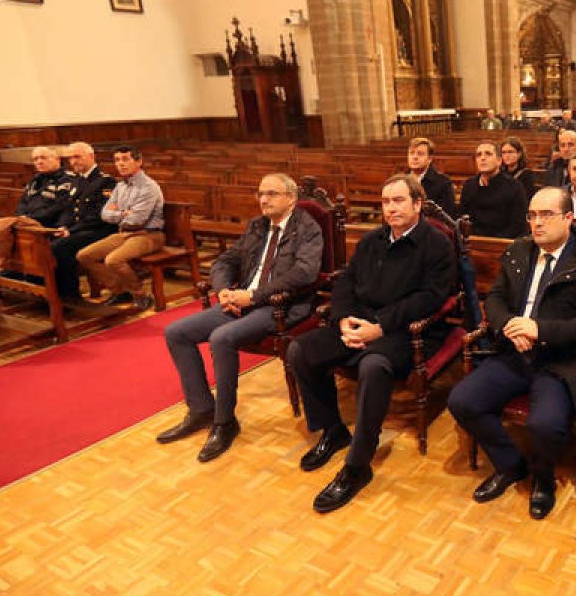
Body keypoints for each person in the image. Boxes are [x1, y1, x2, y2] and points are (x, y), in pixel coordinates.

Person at [287, 175, 457, 513]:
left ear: (417, 204)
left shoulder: (436, 244)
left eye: (398, 201)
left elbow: (431, 297)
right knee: (300, 350)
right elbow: (346, 280)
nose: (390, 208)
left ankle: (358, 464)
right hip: (361, 322)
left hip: (408, 332)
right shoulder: (372, 240)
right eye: (385, 202)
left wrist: (379, 328)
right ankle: (333, 430)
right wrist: (343, 319)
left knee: (373, 365)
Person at [448, 187, 576, 521]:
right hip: (514, 351)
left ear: (568, 218)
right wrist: (510, 324)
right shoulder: (519, 250)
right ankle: (511, 465)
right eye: (532, 215)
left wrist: (540, 330)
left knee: (545, 425)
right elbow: (494, 300)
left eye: (546, 215)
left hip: (559, 360)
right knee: (462, 401)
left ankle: (543, 479)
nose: (536, 223)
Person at [159, 173, 324, 462]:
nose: (263, 199)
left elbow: (305, 273)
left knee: (222, 337)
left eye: (272, 194)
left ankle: (224, 422)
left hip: (281, 307)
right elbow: (226, 260)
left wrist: (254, 296)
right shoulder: (257, 226)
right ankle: (201, 410)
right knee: (176, 332)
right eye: (261, 193)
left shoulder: (307, 228)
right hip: (243, 301)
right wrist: (223, 291)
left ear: (291, 198)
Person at [76, 146, 164, 310]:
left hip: (148, 235)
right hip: (124, 233)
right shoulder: (120, 186)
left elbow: (137, 220)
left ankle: (140, 294)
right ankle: (119, 290)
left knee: (113, 260)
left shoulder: (149, 187)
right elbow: (104, 214)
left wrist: (118, 213)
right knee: (84, 256)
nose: (121, 164)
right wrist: (124, 214)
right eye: (117, 160)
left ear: (138, 161)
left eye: (125, 159)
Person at [50, 142, 117, 302]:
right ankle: (52, 292)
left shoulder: (106, 182)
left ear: (91, 156)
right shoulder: (77, 180)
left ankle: (70, 295)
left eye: (77, 156)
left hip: (100, 230)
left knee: (59, 247)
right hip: (81, 229)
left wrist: (71, 231)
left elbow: (99, 215)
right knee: (46, 241)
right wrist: (64, 226)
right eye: (70, 158)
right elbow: (68, 208)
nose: (73, 161)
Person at [459, 142, 528, 238]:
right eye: (479, 155)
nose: (483, 158)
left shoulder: (514, 186)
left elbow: (518, 225)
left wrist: (493, 243)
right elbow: (462, 217)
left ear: (499, 160)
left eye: (488, 154)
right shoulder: (469, 185)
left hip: (503, 244)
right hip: (472, 243)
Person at [17, 146, 72, 227]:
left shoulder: (67, 179)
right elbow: (23, 202)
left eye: (44, 158)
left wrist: (29, 218)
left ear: (57, 159)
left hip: (49, 225)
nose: (39, 162)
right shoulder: (35, 180)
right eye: (35, 159)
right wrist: (21, 216)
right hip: (27, 223)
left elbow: (59, 208)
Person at [406, 137, 457, 218]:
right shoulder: (399, 181)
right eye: (411, 153)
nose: (415, 157)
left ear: (430, 159)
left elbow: (446, 216)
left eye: (420, 154)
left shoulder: (443, 183)